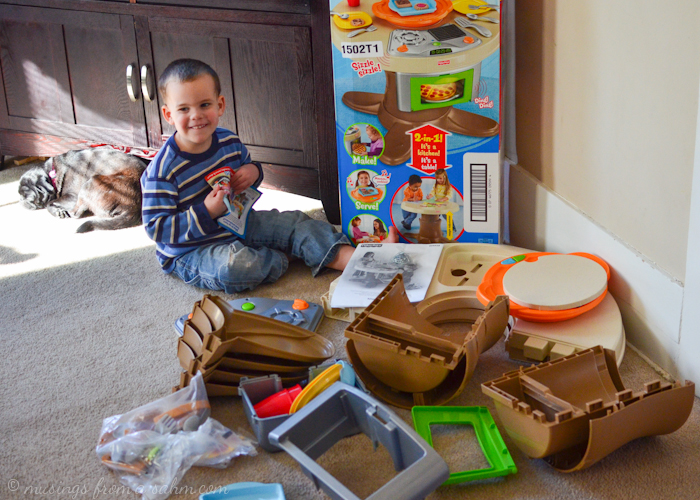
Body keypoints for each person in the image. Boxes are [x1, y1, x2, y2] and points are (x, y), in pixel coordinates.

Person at [141, 58, 397, 293]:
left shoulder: (228, 140)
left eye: (204, 105)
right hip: (190, 250)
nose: (195, 115)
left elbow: (249, 169)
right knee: (235, 268)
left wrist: (253, 172)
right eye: (183, 109)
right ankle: (284, 258)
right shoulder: (162, 171)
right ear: (168, 115)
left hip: (238, 223)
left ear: (219, 105)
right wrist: (206, 211)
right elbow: (157, 228)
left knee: (297, 223)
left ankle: (357, 259)